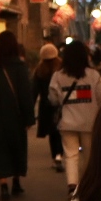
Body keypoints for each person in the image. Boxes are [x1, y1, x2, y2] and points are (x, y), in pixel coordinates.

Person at [0, 30, 34, 201]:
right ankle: (16, 181)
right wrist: (29, 118)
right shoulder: (20, 66)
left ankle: (3, 185)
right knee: (16, 147)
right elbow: (26, 94)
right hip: (16, 116)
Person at [49, 41, 101, 196]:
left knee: (71, 154)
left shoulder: (58, 76)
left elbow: (53, 98)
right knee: (89, 154)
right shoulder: (93, 75)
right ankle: (86, 183)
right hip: (89, 121)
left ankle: (72, 185)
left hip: (68, 121)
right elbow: (100, 97)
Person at [34, 42, 64, 172]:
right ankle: (60, 154)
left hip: (46, 105)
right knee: (62, 131)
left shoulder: (39, 70)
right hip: (62, 104)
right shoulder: (62, 69)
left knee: (52, 132)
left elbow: (34, 90)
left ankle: (54, 157)